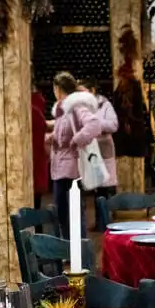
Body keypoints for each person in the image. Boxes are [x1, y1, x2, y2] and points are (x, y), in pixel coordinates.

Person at [50, 72, 99, 239]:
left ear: (58, 89)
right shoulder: (64, 107)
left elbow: (91, 127)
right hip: (62, 167)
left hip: (69, 169)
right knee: (68, 212)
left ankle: (77, 252)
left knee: (71, 212)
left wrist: (74, 140)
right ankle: (71, 251)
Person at [31, 90, 49, 209]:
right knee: (37, 202)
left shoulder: (29, 110)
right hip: (38, 159)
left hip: (30, 162)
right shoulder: (37, 111)